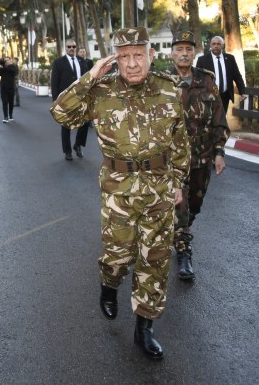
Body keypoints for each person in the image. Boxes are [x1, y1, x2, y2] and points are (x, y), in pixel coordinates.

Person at [50, 27, 189, 360]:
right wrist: (90, 76)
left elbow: (181, 142)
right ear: (116, 59)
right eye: (124, 57)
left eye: (137, 55)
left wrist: (179, 182)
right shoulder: (102, 92)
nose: (131, 64)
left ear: (150, 55)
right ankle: (109, 284)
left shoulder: (170, 91)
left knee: (154, 260)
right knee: (118, 256)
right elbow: (60, 114)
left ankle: (145, 327)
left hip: (158, 189)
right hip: (118, 191)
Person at [167, 31, 230, 280]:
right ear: (171, 53)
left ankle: (179, 231)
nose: (184, 53)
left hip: (202, 156)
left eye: (189, 49)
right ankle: (184, 251)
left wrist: (219, 152)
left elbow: (219, 119)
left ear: (195, 53)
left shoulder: (206, 80)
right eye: (179, 49)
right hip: (173, 160)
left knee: (195, 204)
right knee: (180, 204)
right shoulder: (161, 81)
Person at [51, 39, 92, 160]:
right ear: (66, 48)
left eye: (73, 46)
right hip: (66, 99)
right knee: (66, 125)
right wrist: (56, 100)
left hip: (82, 98)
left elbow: (88, 79)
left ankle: (78, 145)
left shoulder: (82, 61)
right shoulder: (59, 62)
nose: (71, 48)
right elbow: (54, 82)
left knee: (85, 122)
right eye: (69, 46)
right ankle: (67, 151)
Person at [196, 36, 246, 114]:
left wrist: (242, 92)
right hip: (209, 95)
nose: (216, 46)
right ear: (210, 45)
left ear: (222, 45)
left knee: (222, 119)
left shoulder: (230, 59)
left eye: (218, 44)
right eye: (214, 44)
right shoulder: (202, 60)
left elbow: (237, 76)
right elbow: (197, 78)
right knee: (211, 118)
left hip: (225, 95)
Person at [0, 56, 18, 123]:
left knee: (11, 103)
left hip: (11, 87)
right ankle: (5, 117)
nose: (6, 62)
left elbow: (14, 72)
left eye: (7, 60)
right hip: (3, 88)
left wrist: (6, 66)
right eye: (5, 60)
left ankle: (10, 115)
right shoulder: (2, 68)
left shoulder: (12, 67)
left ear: (9, 61)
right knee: (4, 103)